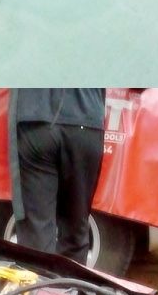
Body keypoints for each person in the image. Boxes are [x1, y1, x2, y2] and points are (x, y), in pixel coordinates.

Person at [9, 90, 106, 263]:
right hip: (85, 120)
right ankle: (70, 280)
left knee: (36, 234)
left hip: (35, 118)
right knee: (75, 233)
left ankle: (38, 279)